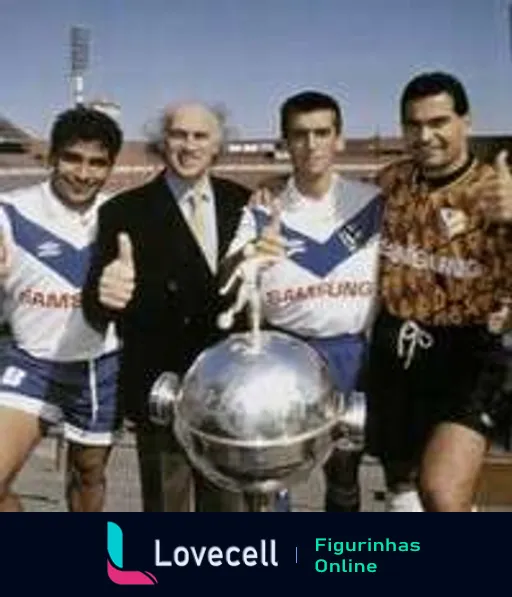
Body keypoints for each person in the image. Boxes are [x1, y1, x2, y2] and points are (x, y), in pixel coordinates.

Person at [82, 102, 250, 512]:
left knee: (229, 513)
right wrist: (106, 295)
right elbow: (96, 305)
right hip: (161, 390)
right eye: (179, 135)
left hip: (227, 391)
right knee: (166, 509)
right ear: (162, 142)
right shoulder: (123, 211)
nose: (188, 145)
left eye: (200, 136)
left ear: (217, 146)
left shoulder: (244, 203)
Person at [222, 91, 383, 512]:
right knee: (275, 473)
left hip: (349, 352)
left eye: (321, 133)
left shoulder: (371, 203)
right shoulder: (261, 208)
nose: (311, 144)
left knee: (345, 474)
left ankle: (340, 564)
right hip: (285, 354)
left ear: (339, 139)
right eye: (299, 135)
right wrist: (249, 254)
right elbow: (225, 278)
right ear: (285, 142)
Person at [365, 71, 512, 512]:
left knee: (442, 491)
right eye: (413, 125)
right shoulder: (390, 182)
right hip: (397, 351)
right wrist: (269, 200)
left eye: (439, 122)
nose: (425, 136)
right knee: (405, 495)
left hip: (469, 353)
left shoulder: (496, 190)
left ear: (466, 121)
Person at [0, 106, 123, 512]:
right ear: (53, 156)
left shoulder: (122, 215)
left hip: (101, 367)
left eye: (97, 163)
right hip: (32, 363)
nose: (83, 173)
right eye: (72, 158)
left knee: (88, 474)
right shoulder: (10, 212)